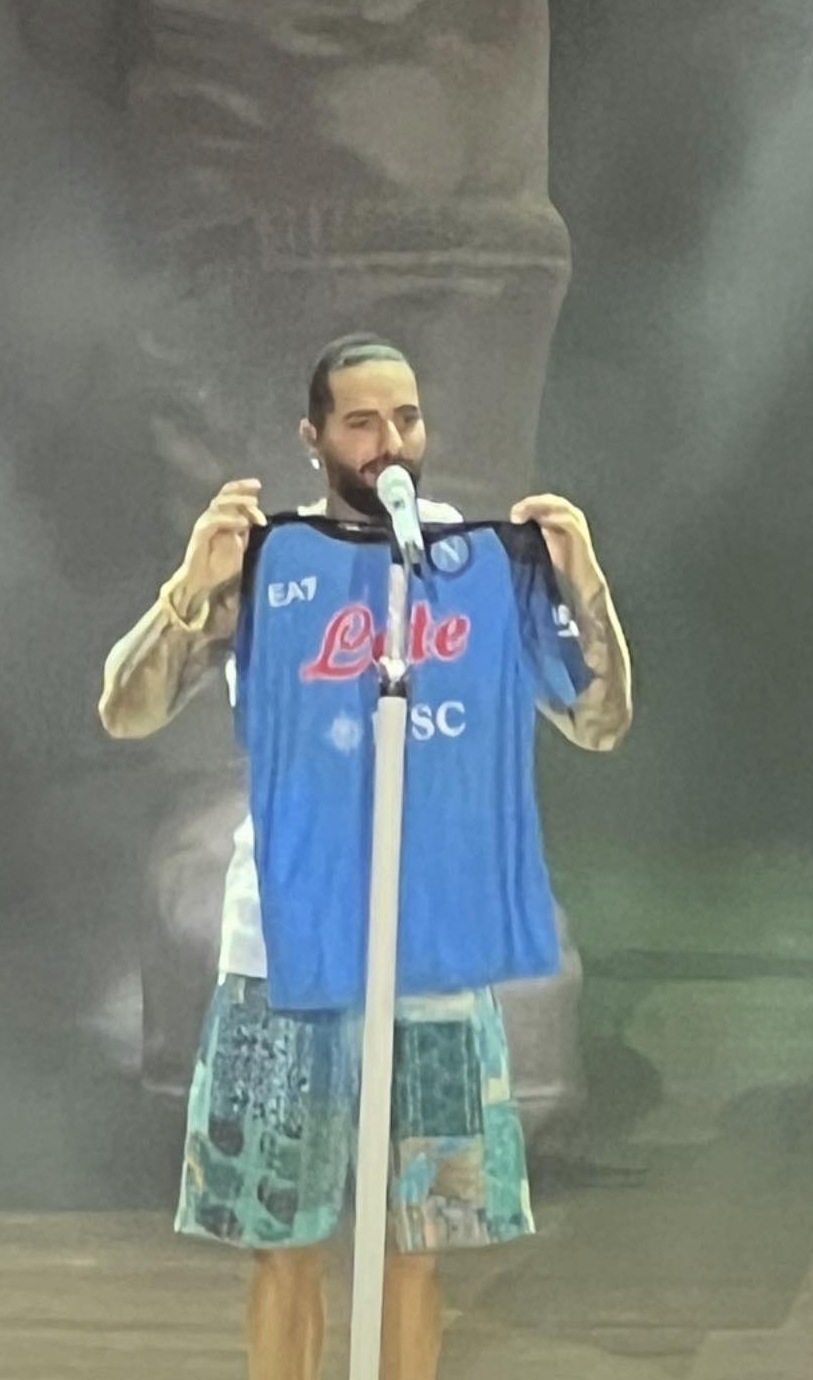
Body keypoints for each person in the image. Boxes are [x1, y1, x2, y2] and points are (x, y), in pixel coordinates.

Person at [98, 333, 633, 1380]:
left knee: (418, 1242)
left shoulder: (473, 565)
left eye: (407, 418)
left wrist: (588, 589)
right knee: (281, 1240)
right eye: (362, 422)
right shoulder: (269, 563)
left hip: (433, 956)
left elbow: (600, 722)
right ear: (314, 436)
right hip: (285, 954)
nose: (390, 442)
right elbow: (126, 709)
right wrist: (188, 588)